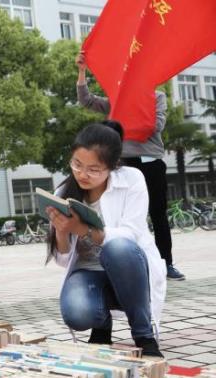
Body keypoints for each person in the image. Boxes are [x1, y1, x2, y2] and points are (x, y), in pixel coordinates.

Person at [46, 122, 166, 358]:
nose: (82, 174)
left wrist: (86, 230)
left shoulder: (132, 180)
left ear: (112, 167)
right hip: (89, 271)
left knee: (118, 248)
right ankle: (101, 326)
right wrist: (62, 230)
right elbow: (62, 260)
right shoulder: (64, 193)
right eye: (77, 164)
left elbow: (131, 233)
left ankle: (143, 334)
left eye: (93, 169)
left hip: (130, 268)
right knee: (77, 312)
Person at [76, 51, 185, 281]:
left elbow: (156, 125)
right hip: (124, 162)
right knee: (121, 216)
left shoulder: (157, 96)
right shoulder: (118, 98)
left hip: (150, 162)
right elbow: (87, 101)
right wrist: (82, 71)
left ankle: (166, 264)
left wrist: (126, 117)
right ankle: (125, 264)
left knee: (158, 214)